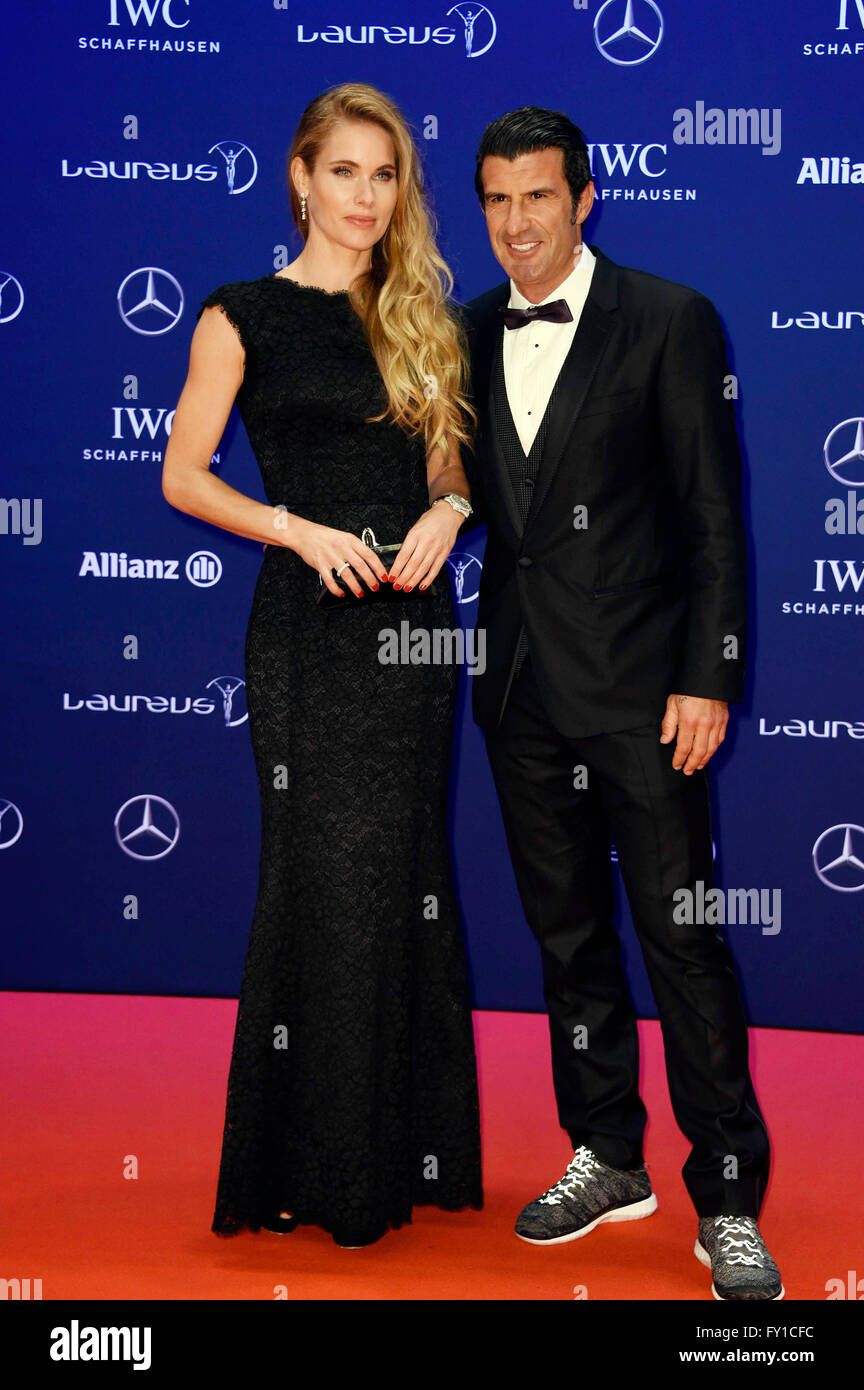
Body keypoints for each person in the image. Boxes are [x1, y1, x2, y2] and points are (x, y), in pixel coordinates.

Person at [459, 106, 782, 1300]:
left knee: (683, 945)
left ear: (584, 198)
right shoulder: (462, 329)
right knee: (568, 942)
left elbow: (711, 515)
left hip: (650, 694)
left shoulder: (669, 318)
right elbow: (473, 494)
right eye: (495, 199)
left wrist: (711, 674)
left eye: (537, 196)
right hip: (522, 691)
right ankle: (606, 1151)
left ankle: (730, 1195)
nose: (516, 224)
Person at [162, 82, 482, 1249]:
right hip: (306, 625)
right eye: (342, 171)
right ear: (300, 176)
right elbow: (183, 476)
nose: (363, 196)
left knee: (402, 872)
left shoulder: (422, 315)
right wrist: (294, 528)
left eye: (383, 175)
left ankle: (397, 1155)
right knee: (316, 877)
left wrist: (451, 509)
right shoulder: (238, 313)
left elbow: (450, 468)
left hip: (410, 634)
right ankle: (304, 1161)